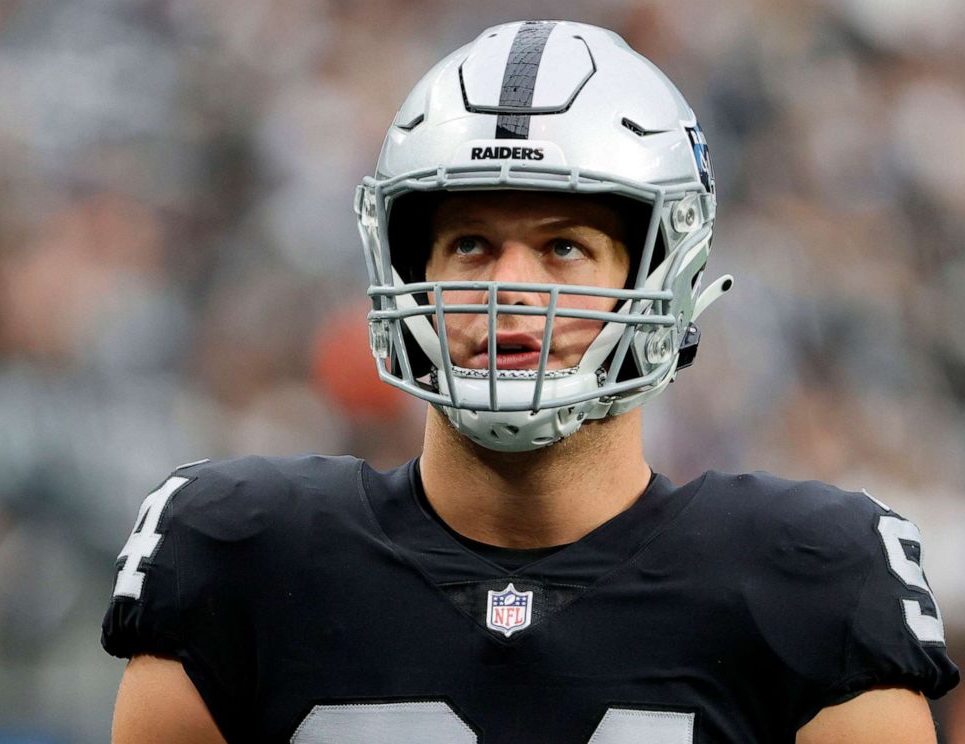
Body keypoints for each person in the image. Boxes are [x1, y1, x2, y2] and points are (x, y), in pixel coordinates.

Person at [102, 20, 959, 744]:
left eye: (563, 247)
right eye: (470, 243)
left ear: (661, 275)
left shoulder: (813, 575)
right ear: (408, 268)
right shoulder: (241, 553)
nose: (509, 287)